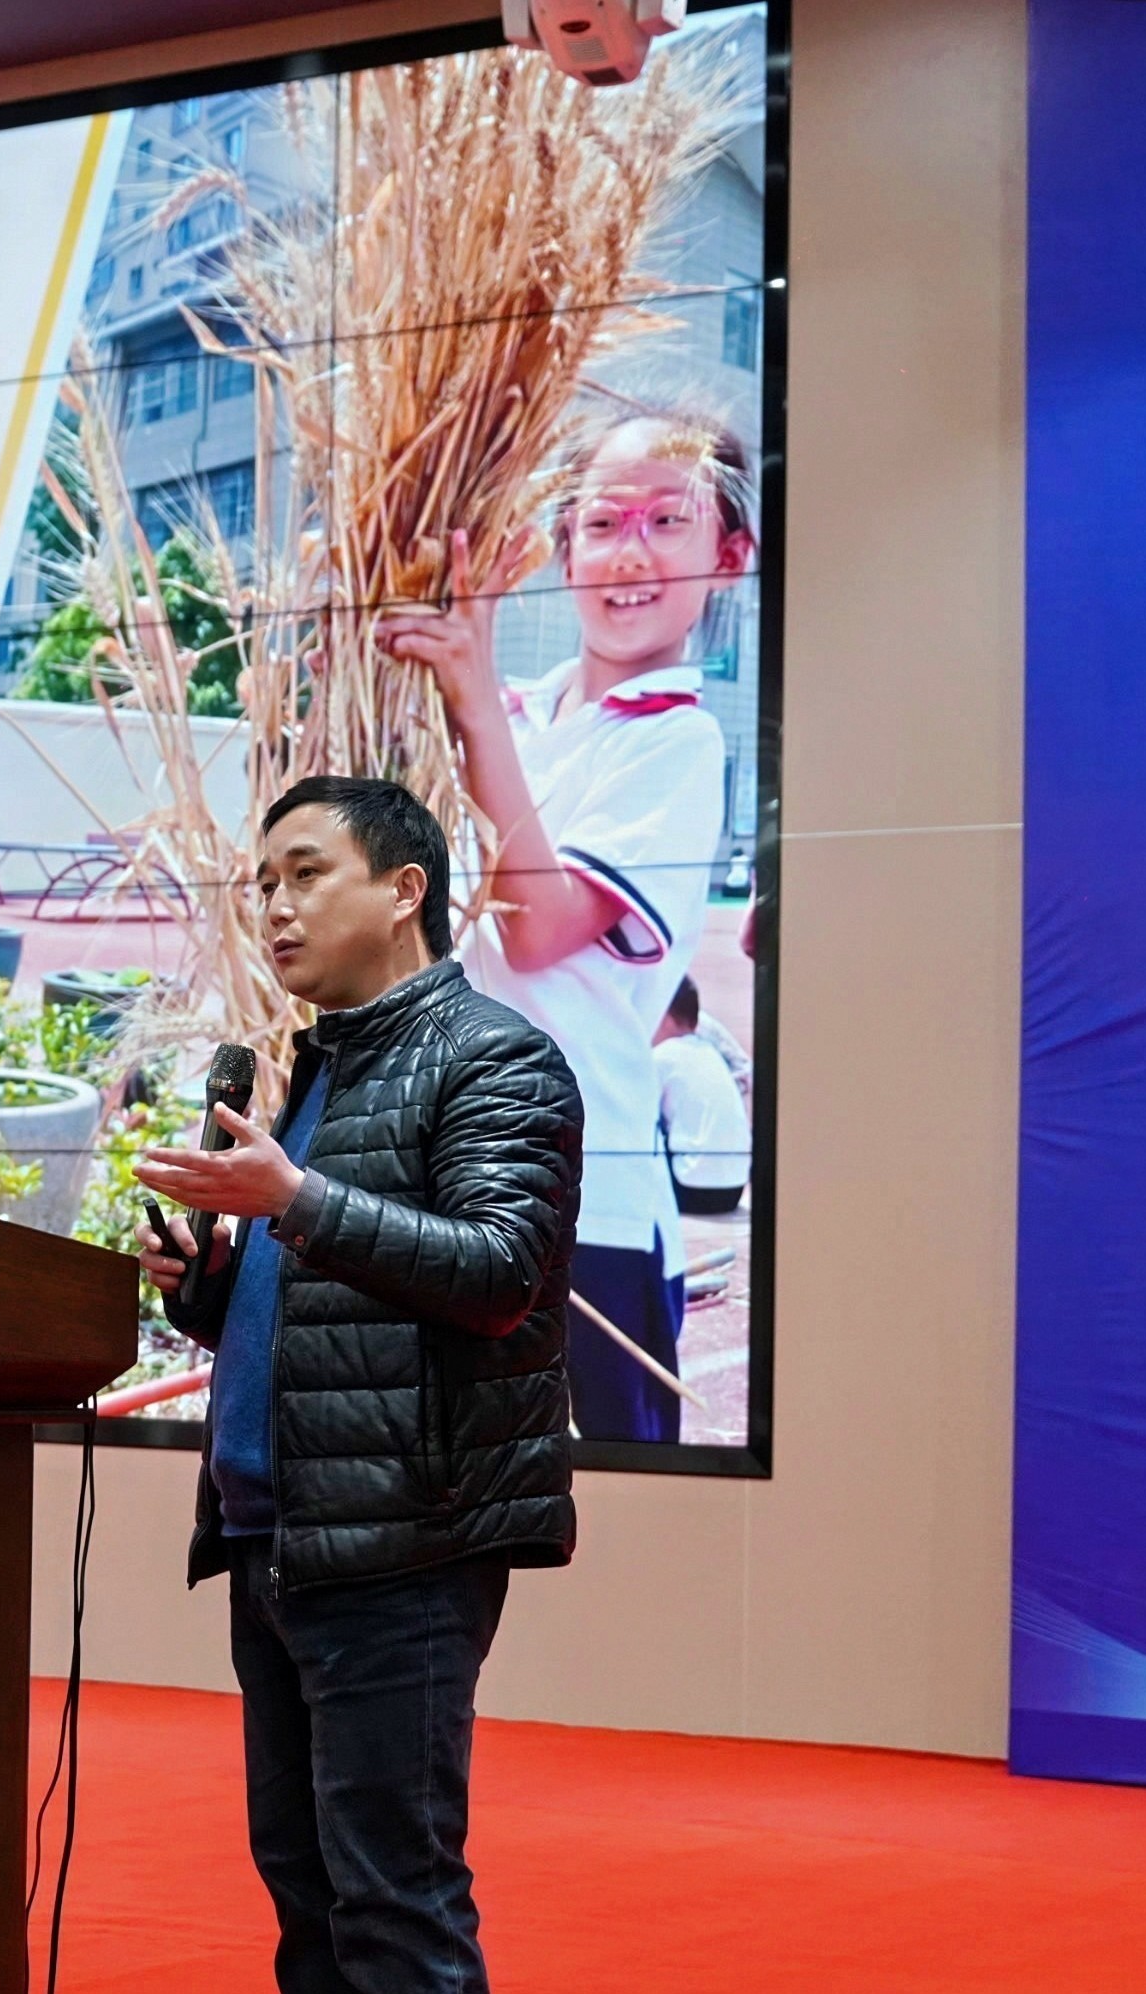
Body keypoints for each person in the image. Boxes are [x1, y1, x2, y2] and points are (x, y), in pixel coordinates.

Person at [131, 774, 580, 1994]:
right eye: (262, 884)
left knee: (392, 1902)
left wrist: (294, 1200)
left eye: (305, 873)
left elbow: (498, 1272)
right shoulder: (316, 1069)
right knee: (307, 1891)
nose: (274, 906)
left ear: (401, 890)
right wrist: (204, 1285)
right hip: (278, 1537)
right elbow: (331, 1304)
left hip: (401, 1541)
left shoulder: (494, 1056)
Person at [376, 409, 756, 1443]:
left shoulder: (676, 739)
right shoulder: (508, 713)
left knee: (614, 1518)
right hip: (441, 1187)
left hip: (584, 1213)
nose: (628, 553)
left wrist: (470, 706)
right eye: (601, 523)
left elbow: (535, 927)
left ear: (729, 555)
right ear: (562, 549)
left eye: (665, 521)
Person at [655, 977, 750, 1216]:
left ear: (664, 1017)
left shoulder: (662, 1056)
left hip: (692, 1191)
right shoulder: (712, 1053)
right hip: (734, 1190)